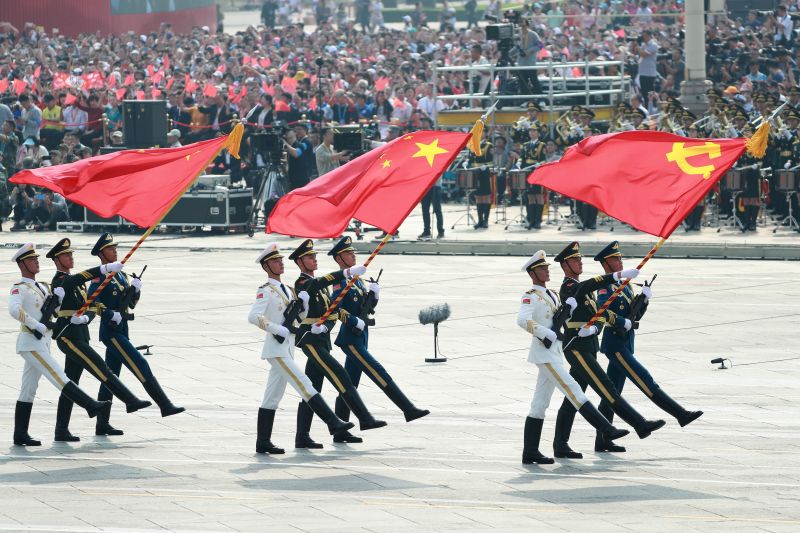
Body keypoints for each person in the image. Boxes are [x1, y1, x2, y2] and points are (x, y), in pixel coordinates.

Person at [552, 241, 665, 458]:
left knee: (574, 397)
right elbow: (584, 287)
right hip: (576, 348)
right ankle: (639, 424)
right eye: (575, 260)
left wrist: (596, 327)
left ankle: (560, 444)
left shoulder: (582, 288)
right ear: (565, 265)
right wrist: (616, 276)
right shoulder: (569, 286)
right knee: (606, 387)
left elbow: (599, 314)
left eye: (579, 258)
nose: (579, 262)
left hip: (587, 346)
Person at [517, 250, 629, 464]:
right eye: (542, 268)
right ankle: (606, 428)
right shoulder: (530, 295)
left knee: (540, 404)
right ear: (533, 273)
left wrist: (567, 310)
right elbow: (522, 320)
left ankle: (530, 451)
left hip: (555, 353)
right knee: (574, 391)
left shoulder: (550, 294)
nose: (547, 270)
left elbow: (559, 319)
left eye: (547, 267)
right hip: (544, 354)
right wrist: (544, 333)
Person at [593, 242, 703, 452]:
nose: (620, 261)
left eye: (620, 258)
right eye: (616, 259)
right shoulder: (606, 287)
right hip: (615, 343)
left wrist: (643, 299)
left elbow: (634, 315)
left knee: (611, 393)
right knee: (645, 379)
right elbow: (602, 312)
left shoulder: (623, 286)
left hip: (625, 342)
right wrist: (620, 321)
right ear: (606, 263)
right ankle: (680, 414)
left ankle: (602, 439)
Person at [248, 243, 354, 454]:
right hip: (276, 350)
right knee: (305, 384)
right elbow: (253, 317)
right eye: (276, 261)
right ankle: (333, 422)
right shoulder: (265, 291)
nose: (280, 263)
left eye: (280, 260)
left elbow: (299, 318)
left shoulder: (287, 289)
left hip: (287, 349)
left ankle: (263, 442)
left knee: (272, 397)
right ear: (267, 266)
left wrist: (303, 307)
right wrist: (277, 328)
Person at [8, 243, 110, 446]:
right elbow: (14, 310)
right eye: (31, 260)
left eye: (36, 259)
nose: (36, 262)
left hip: (43, 342)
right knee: (58, 375)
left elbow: (51, 314)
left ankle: (20, 434)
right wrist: (35, 324)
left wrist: (55, 306)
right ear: (22, 264)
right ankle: (90, 405)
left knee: (28, 389)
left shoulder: (42, 287)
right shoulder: (19, 288)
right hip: (30, 342)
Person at [49, 240, 152, 442]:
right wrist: (103, 268)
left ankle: (61, 430)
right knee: (101, 367)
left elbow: (91, 303)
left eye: (71, 254)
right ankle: (130, 400)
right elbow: (74, 281)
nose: (70, 257)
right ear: (57, 259)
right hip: (68, 337)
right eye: (66, 255)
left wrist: (88, 316)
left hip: (80, 335)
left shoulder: (75, 282)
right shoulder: (60, 280)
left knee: (72, 382)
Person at [330, 237, 429, 442]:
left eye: (353, 252)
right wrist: (352, 321)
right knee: (377, 371)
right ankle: (407, 408)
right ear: (339, 258)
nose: (354, 255)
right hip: (350, 338)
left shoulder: (357, 279)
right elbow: (333, 309)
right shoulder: (339, 280)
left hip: (362, 336)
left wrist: (374, 294)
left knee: (349, 385)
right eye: (349, 253)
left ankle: (340, 430)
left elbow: (366, 307)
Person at [291, 238, 388, 445]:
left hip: (321, 339)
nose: (314, 259)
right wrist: (346, 273)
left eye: (315, 256)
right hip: (310, 340)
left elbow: (332, 310)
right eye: (309, 257)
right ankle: (364, 418)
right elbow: (316, 284)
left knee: (312, 387)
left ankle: (302, 436)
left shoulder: (321, 285)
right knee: (340, 375)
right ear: (300, 262)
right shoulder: (302, 283)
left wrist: (327, 325)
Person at [87, 234, 185, 436]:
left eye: (115, 247)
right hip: (111, 331)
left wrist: (135, 290)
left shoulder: (121, 275)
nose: (115, 251)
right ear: (101, 254)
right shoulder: (100, 276)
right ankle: (165, 405)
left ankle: (102, 424)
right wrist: (108, 313)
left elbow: (130, 304)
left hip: (122, 328)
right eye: (110, 248)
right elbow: (91, 302)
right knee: (141, 364)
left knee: (110, 377)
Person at [520, 124, 546, 229]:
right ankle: (531, 219)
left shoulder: (541, 145)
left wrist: (539, 164)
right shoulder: (525, 144)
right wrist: (519, 163)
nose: (532, 132)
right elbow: (522, 157)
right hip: (527, 171)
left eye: (534, 131)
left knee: (538, 196)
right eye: (530, 131)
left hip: (537, 171)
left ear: (538, 133)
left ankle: (538, 220)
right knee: (530, 196)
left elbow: (544, 159)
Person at [469, 137, 494, 229]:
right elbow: (471, 159)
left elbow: (491, 161)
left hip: (485, 172)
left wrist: (486, 166)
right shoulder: (473, 145)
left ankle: (485, 220)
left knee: (486, 196)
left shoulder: (488, 145)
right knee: (478, 197)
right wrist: (467, 162)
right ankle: (480, 220)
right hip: (476, 172)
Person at [283, 123, 314, 190]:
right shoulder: (298, 142)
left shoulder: (306, 142)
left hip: (302, 177)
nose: (297, 131)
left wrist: (284, 142)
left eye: (300, 129)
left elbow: (297, 153)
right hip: (296, 176)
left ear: (306, 130)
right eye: (296, 129)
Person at [418, 174, 445, 240]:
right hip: (425, 186)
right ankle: (427, 231)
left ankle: (440, 231)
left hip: (435, 186)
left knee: (437, 210)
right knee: (425, 210)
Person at [636, 30, 659, 97]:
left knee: (650, 94)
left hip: (650, 74)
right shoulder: (643, 45)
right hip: (642, 73)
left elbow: (643, 54)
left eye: (644, 36)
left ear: (648, 36)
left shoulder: (653, 45)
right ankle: (646, 107)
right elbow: (641, 57)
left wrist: (638, 48)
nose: (643, 37)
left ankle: (652, 107)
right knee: (644, 93)